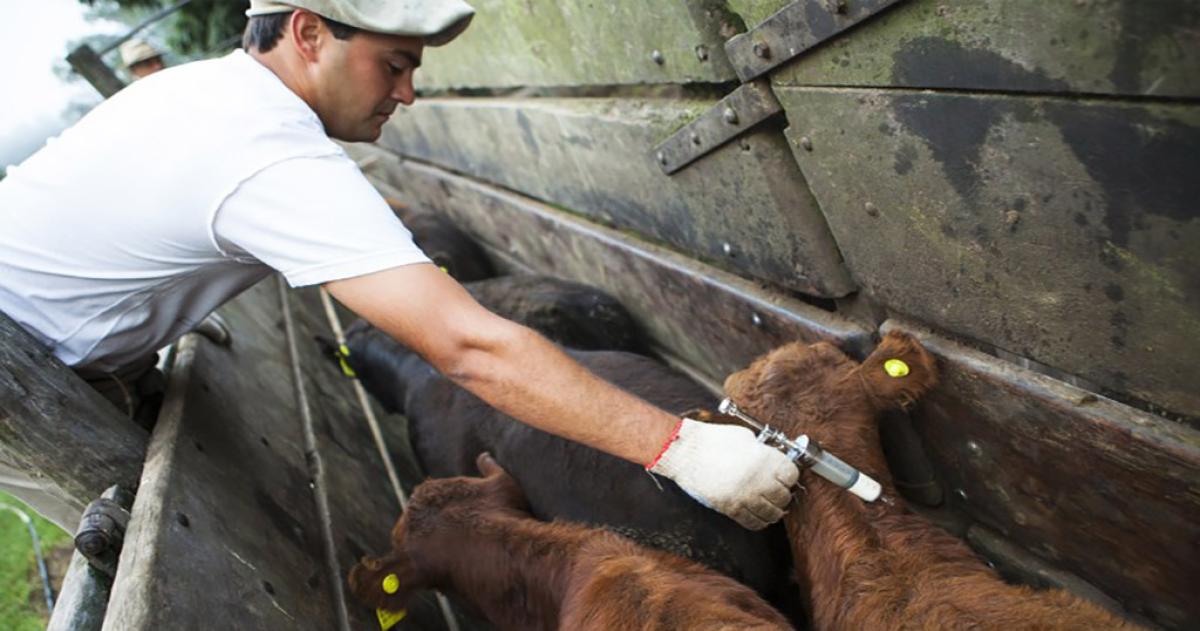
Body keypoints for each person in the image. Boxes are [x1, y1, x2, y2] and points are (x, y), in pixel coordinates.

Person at [0, 0, 799, 533]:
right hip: (26, 380)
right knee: (123, 518)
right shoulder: (263, 147)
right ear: (308, 34)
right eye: (393, 64)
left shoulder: (212, 95)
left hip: (54, 339)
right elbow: (468, 348)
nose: (410, 93)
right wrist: (681, 448)